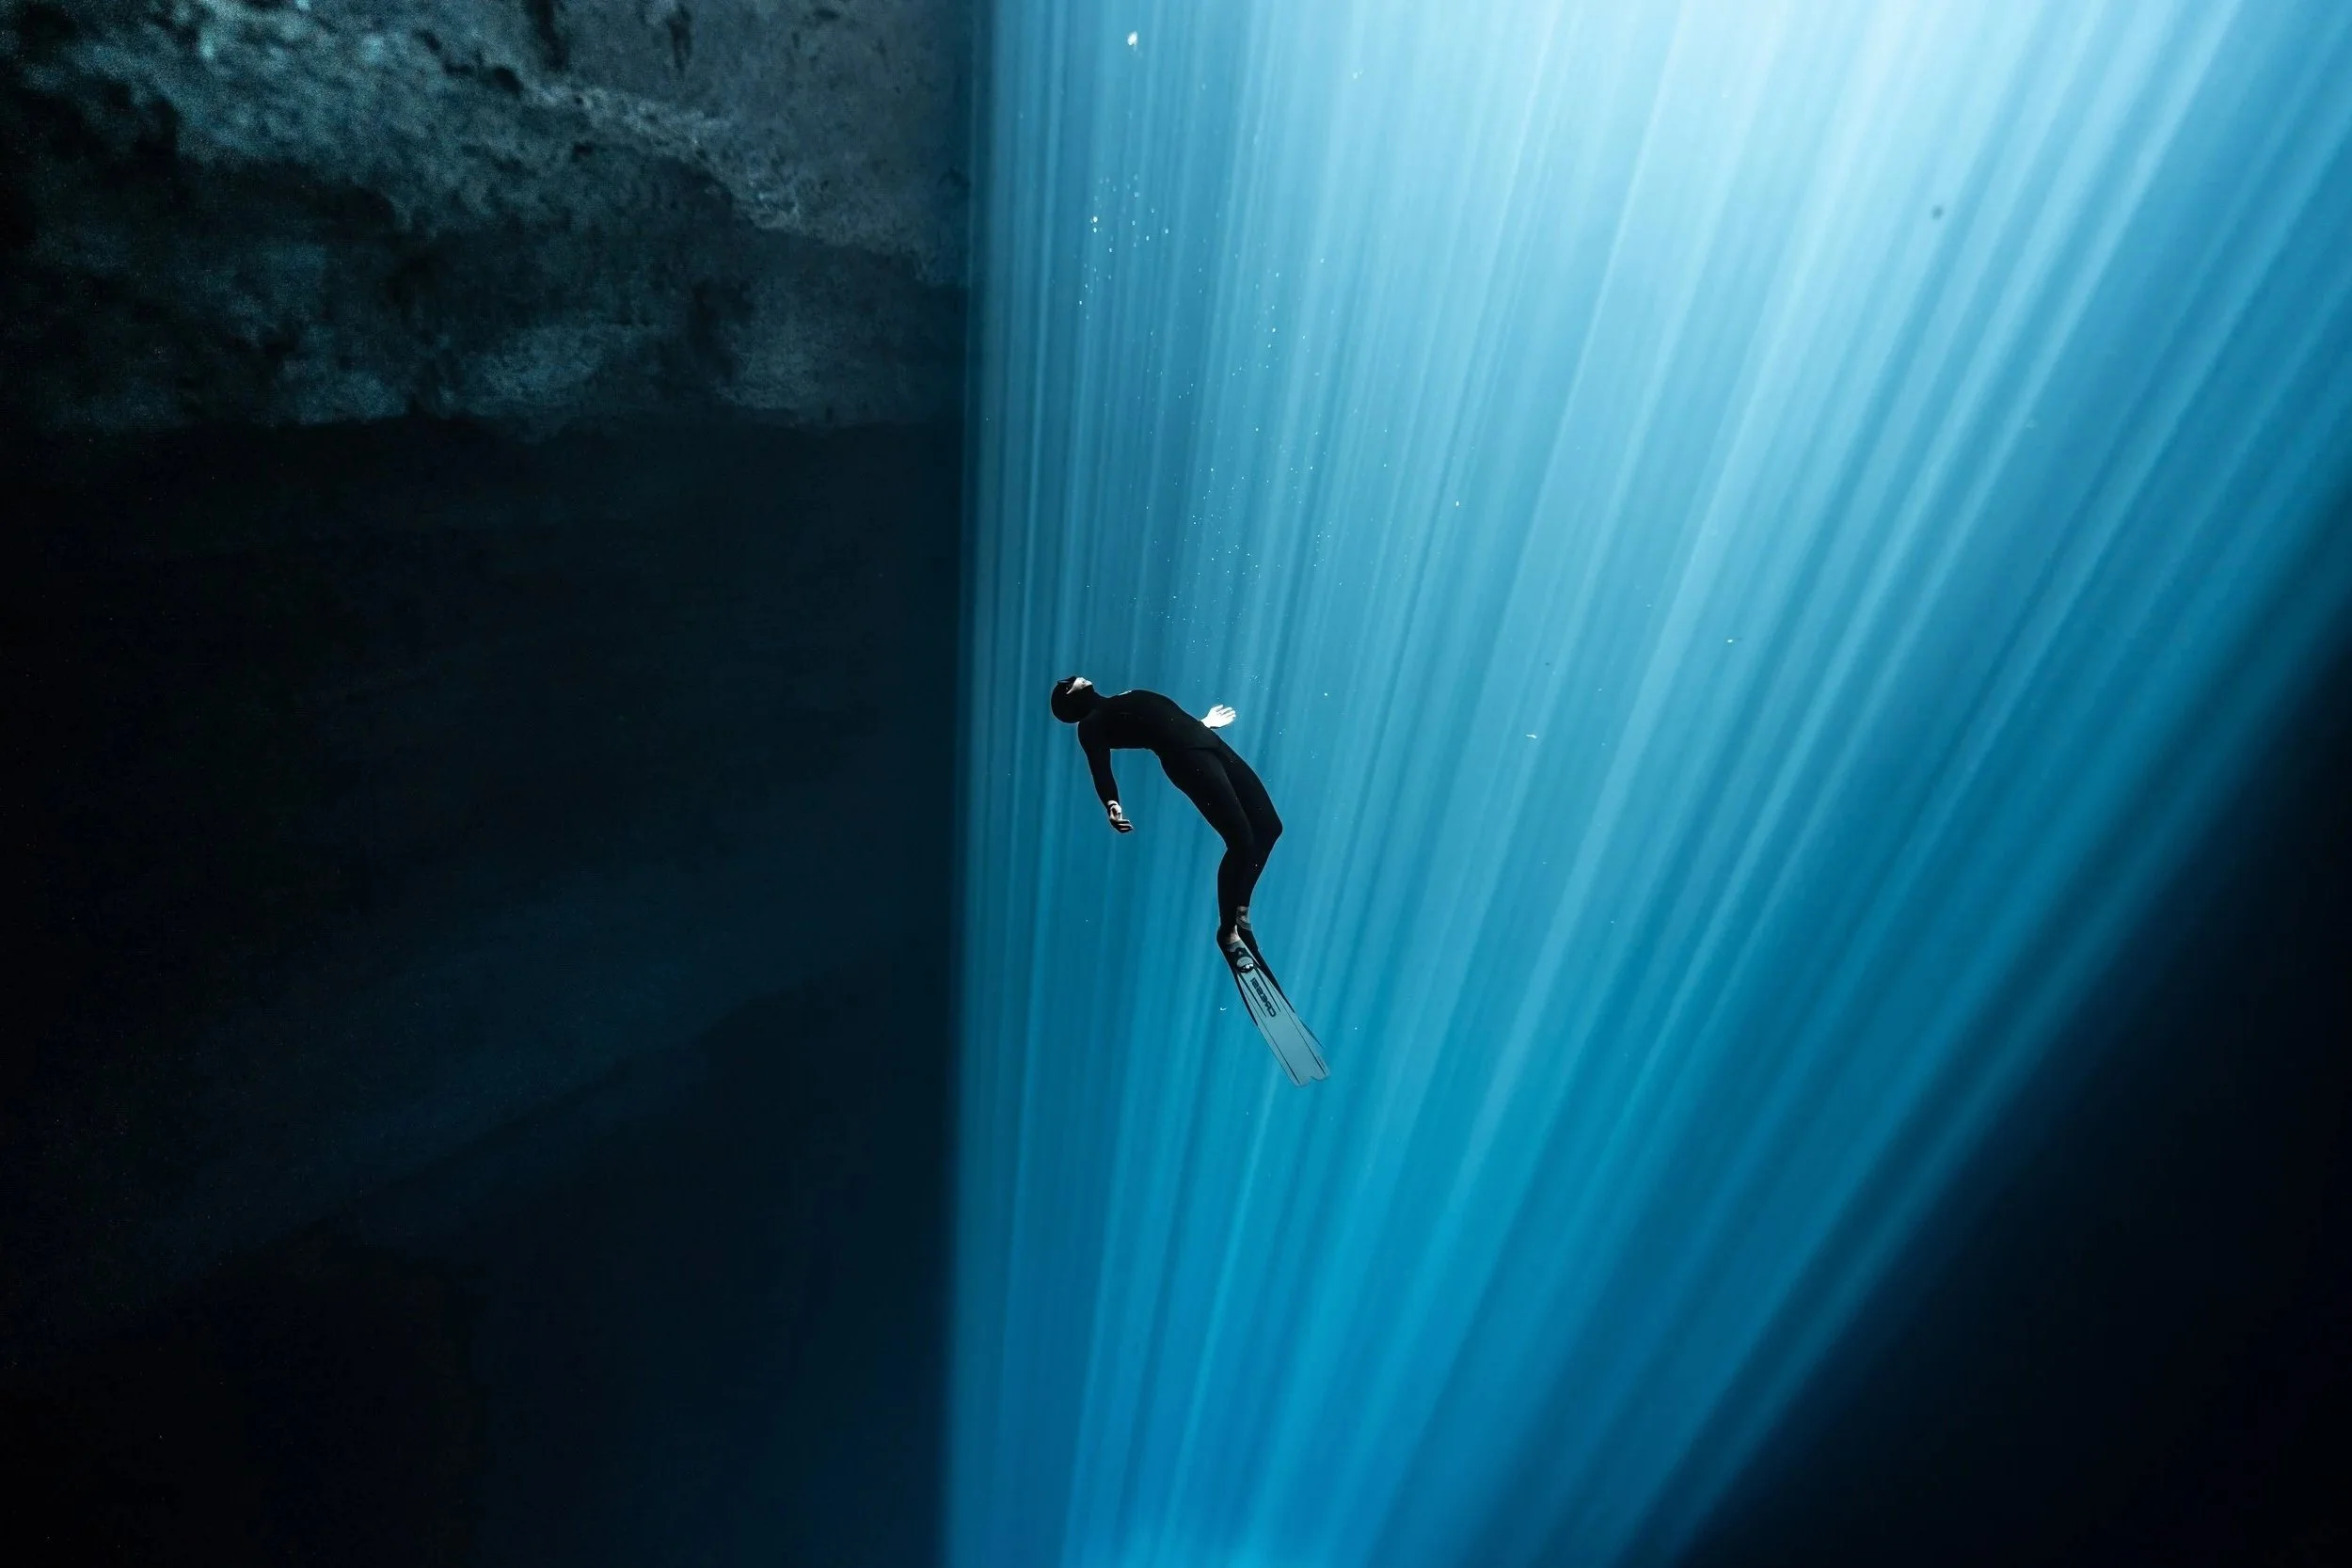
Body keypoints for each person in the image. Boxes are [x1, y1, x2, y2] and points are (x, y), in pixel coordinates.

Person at [1049, 675, 1282, 974]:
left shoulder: (1123, 696)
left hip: (1207, 740)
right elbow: (1100, 768)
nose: (1073, 678)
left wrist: (1205, 722)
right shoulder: (1091, 724)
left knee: (1270, 827)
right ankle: (1228, 932)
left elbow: (1167, 721)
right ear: (1071, 697)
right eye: (1067, 683)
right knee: (1241, 842)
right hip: (1184, 758)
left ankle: (1241, 912)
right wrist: (1111, 803)